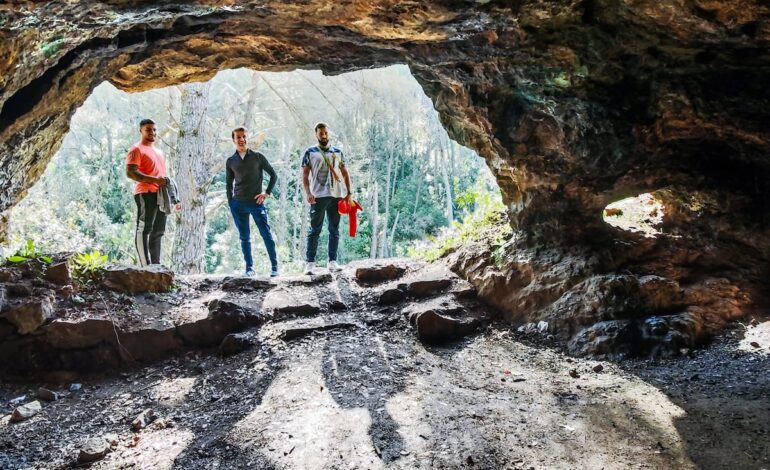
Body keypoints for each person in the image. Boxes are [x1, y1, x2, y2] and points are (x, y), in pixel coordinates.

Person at [226, 127, 279, 277]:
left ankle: (275, 267)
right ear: (234, 140)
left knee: (266, 234)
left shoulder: (258, 157)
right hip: (238, 204)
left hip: (256, 203)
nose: (242, 139)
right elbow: (228, 184)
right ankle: (249, 268)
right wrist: (231, 203)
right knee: (244, 238)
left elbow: (273, 175)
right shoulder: (231, 161)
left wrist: (266, 193)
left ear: (247, 138)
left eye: (244, 136)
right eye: (238, 137)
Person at [301, 122, 352, 274]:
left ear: (328, 133)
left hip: (336, 195)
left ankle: (332, 261)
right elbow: (305, 174)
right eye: (320, 133)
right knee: (315, 229)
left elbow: (344, 172)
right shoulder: (310, 152)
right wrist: (308, 193)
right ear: (316, 134)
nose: (323, 135)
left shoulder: (337, 151)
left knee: (334, 229)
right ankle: (310, 263)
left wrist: (349, 192)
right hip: (318, 195)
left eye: (325, 133)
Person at [126, 118, 170, 266]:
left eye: (154, 129)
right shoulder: (136, 149)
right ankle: (145, 266)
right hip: (145, 193)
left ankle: (156, 266)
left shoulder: (159, 152)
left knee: (158, 231)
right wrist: (155, 180)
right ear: (141, 131)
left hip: (161, 195)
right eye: (148, 130)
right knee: (145, 228)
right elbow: (131, 173)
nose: (152, 132)